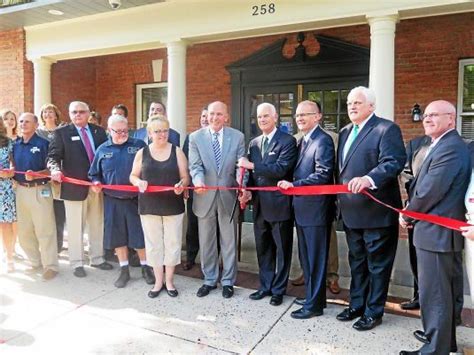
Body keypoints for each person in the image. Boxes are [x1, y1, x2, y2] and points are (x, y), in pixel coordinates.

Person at [399, 100, 470, 355]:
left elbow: (430, 191)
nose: (427, 119)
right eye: (426, 115)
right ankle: (442, 341)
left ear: (451, 119)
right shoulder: (441, 145)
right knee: (442, 294)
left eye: (434, 115)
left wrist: (408, 214)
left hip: (437, 233)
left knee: (436, 295)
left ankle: (434, 349)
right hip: (435, 233)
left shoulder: (450, 148)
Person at [336, 86, 406, 331]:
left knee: (377, 266)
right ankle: (356, 304)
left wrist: (369, 179)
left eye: (357, 102)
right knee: (357, 262)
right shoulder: (345, 132)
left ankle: (373, 311)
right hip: (351, 212)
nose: (352, 107)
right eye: (349, 103)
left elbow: (394, 161)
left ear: (371, 106)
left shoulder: (386, 129)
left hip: (377, 212)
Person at [278, 100, 335, 318]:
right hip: (302, 209)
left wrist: (295, 186)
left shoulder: (323, 140)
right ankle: (314, 296)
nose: (300, 118)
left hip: (316, 210)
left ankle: (315, 306)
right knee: (307, 259)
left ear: (318, 116)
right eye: (297, 115)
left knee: (316, 258)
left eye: (305, 114)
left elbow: (322, 174)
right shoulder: (302, 141)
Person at [238, 102, 297, 306]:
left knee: (282, 249)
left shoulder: (287, 141)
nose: (262, 120)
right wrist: (246, 190)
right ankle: (265, 286)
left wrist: (252, 165)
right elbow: (252, 175)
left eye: (266, 116)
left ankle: (279, 290)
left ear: (275, 118)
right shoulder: (254, 143)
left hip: (280, 205)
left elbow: (280, 169)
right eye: (259, 117)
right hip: (259, 205)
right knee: (263, 248)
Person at [88, 114, 155, 288]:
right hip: (112, 201)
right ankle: (124, 270)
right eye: (118, 131)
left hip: (136, 200)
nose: (122, 134)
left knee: (139, 236)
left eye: (125, 130)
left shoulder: (138, 145)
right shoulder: (102, 149)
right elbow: (94, 173)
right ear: (109, 131)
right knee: (118, 237)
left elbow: (149, 169)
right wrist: (95, 183)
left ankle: (146, 268)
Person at [47, 101, 112, 277]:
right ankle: (77, 262)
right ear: (69, 114)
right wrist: (54, 169)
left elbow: (107, 155)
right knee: (76, 227)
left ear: (88, 113)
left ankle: (97, 258)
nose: (78, 115)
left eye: (81, 112)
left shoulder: (99, 132)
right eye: (74, 112)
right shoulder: (60, 133)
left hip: (96, 186)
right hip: (74, 187)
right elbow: (52, 157)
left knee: (97, 223)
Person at [188, 101, 245, 299]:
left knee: (229, 241)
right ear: (206, 115)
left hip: (228, 196)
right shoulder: (195, 138)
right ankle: (209, 279)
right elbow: (194, 166)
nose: (214, 117)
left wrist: (242, 185)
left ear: (226, 117)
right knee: (207, 241)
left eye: (219, 114)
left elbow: (241, 166)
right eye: (211, 114)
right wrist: (198, 181)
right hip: (204, 196)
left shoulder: (237, 137)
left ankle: (228, 281)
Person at [130, 115, 189, 298]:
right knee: (154, 245)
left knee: (172, 243)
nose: (162, 134)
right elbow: (132, 175)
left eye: (165, 130)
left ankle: (169, 281)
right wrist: (138, 182)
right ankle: (157, 282)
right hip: (149, 206)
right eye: (157, 131)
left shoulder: (177, 151)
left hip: (173, 205)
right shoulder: (142, 152)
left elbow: (185, 177)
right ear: (149, 133)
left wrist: (182, 185)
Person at [13, 113, 59, 280]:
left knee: (45, 229)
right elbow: (13, 165)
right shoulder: (15, 144)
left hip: (41, 190)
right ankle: (34, 262)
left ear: (36, 124)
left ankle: (51, 266)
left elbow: (52, 169)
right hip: (21, 190)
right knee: (24, 231)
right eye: (21, 121)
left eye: (27, 121)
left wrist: (37, 174)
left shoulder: (44, 144)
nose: (23, 124)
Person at [182, 107, 209, 270]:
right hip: (194, 189)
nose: (205, 119)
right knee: (193, 225)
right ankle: (191, 257)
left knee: (212, 227)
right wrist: (186, 184)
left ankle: (212, 259)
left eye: (208, 116)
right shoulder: (191, 138)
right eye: (203, 116)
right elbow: (185, 163)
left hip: (213, 189)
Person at [36, 103, 66, 253]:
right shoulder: (38, 133)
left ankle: (58, 245)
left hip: (58, 177)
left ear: (56, 114)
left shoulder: (63, 131)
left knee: (58, 213)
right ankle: (46, 246)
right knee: (45, 213)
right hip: (42, 177)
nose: (47, 115)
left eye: (50, 112)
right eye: (45, 112)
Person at [0, 117, 16, 273]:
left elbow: (12, 162)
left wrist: (10, 170)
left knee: (5, 224)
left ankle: (10, 257)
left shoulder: (7, 141)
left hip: (3, 187)